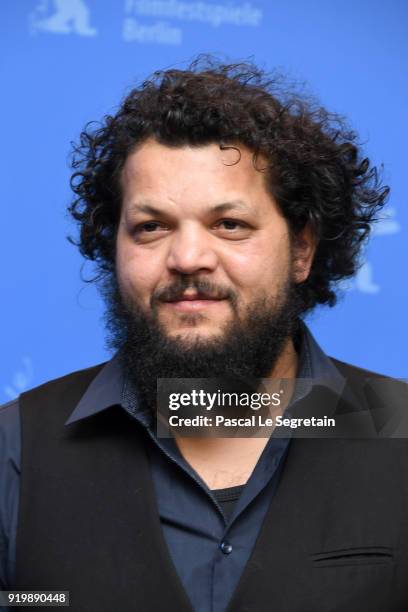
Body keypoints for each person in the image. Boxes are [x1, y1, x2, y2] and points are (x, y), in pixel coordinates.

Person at [1, 57, 407, 612]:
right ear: (113, 249)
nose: (188, 257)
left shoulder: (400, 433)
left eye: (229, 225)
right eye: (151, 227)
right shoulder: (16, 448)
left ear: (303, 250)